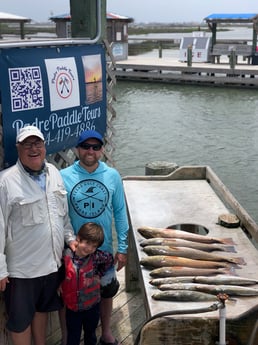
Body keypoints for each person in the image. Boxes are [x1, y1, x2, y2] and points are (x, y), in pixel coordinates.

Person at [0, 125, 76, 345]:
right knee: (20, 321)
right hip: (21, 271)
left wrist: (70, 239)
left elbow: (63, 216)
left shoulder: (54, 172)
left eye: (38, 143)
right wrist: (1, 270)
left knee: (42, 311)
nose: (33, 149)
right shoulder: (5, 182)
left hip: (51, 265)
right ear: (18, 148)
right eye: (27, 144)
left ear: (45, 146)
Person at [61, 129, 129, 345]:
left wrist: (123, 247)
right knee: (69, 293)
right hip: (75, 248)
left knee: (105, 292)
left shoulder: (112, 176)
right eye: (85, 146)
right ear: (77, 149)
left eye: (96, 147)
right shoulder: (63, 176)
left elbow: (119, 211)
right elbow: (60, 214)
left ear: (101, 150)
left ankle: (106, 331)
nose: (90, 151)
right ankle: (66, 337)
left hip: (104, 248)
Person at [61, 222, 115, 345]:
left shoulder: (96, 257)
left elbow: (110, 259)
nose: (89, 248)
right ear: (78, 239)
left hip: (92, 307)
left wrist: (99, 275)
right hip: (72, 309)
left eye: (93, 246)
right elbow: (60, 270)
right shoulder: (67, 255)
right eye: (87, 243)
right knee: (72, 337)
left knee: (90, 335)